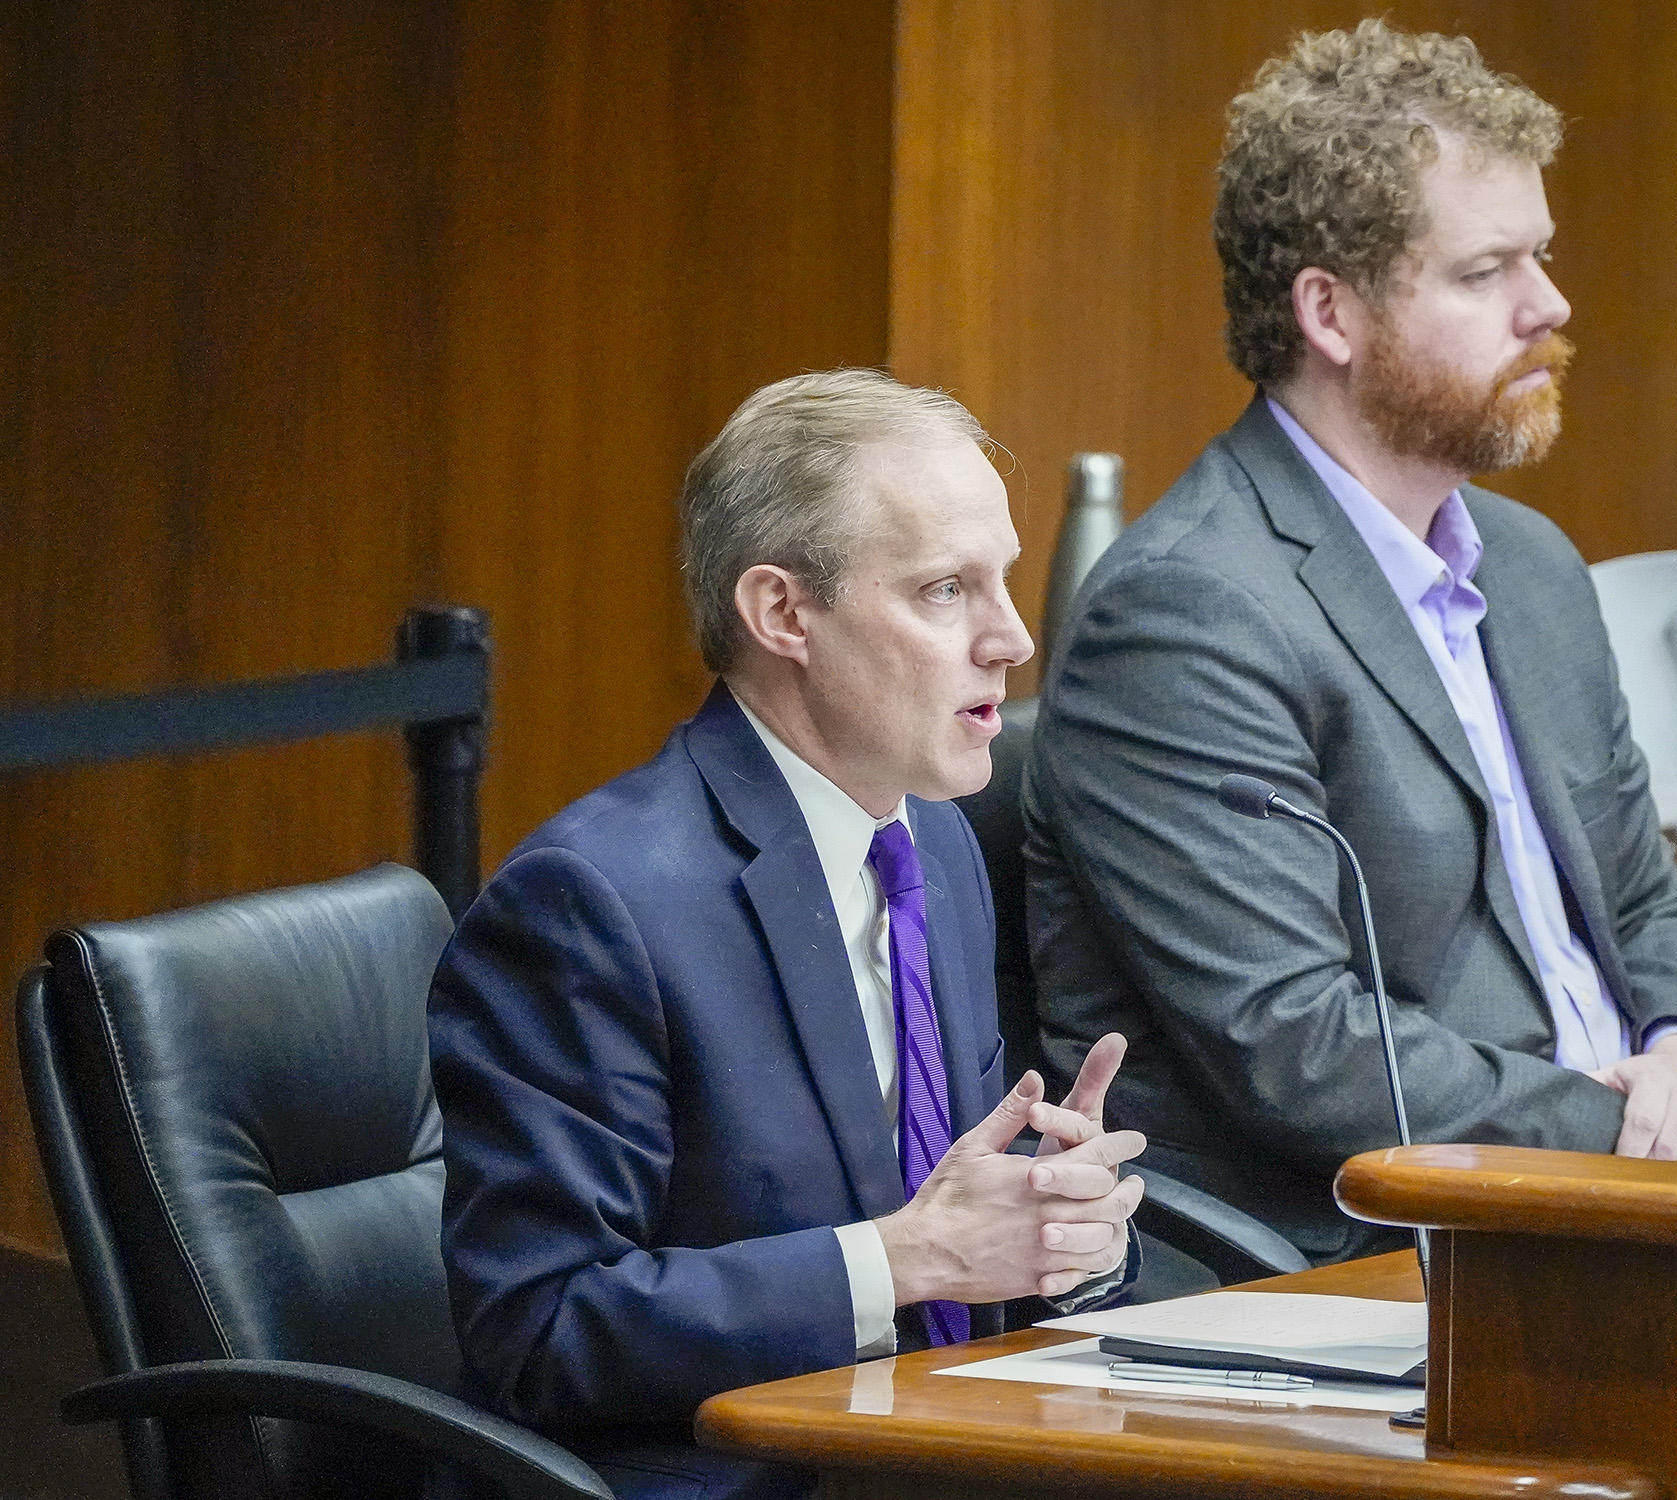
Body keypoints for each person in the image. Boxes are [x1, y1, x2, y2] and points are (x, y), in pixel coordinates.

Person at [1024, 22, 1677, 1267]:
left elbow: (1642, 895)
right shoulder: (1185, 612)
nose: (1550, 306)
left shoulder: (1534, 566)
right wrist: (1638, 1143)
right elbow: (1299, 1045)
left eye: (1540, 256)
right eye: (1487, 270)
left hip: (1613, 1207)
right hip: (1379, 1257)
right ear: (1331, 312)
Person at [430, 369, 1145, 1500]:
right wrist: (905, 1260)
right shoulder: (592, 903)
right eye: (946, 590)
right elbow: (543, 1328)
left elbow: (940, 1197)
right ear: (783, 615)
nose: (1011, 638)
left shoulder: (936, 844)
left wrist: (1058, 1230)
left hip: (936, 1453)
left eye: (1002, 582)